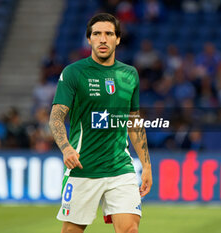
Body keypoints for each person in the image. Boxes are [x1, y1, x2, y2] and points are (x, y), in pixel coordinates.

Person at [49, 13, 153, 233]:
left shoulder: (130, 75)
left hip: (120, 168)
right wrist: (66, 148)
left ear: (118, 39)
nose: (103, 39)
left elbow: (134, 122)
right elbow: (56, 116)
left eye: (109, 34)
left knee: (130, 230)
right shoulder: (73, 73)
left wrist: (147, 166)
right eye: (97, 34)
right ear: (89, 39)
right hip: (82, 167)